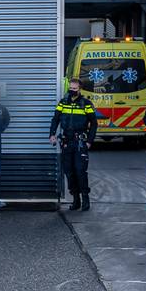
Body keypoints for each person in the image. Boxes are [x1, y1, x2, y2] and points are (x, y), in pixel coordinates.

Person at [49, 78, 99, 211]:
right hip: (66, 143)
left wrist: (89, 141)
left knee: (80, 171)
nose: (72, 91)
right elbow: (55, 119)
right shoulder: (63, 102)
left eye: (74, 89)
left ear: (80, 89)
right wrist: (52, 134)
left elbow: (94, 123)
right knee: (69, 172)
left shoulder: (86, 103)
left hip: (80, 143)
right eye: (70, 88)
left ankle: (85, 200)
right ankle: (76, 200)